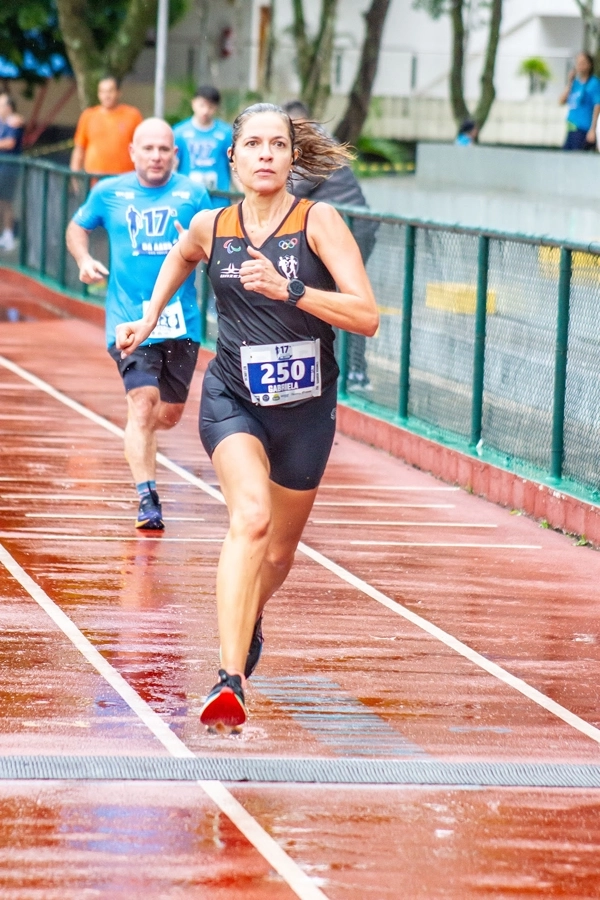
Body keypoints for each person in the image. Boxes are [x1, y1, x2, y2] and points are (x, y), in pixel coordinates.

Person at [115, 103, 379, 731]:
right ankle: (229, 678)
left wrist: (290, 290)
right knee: (251, 518)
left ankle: (248, 615)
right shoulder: (212, 225)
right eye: (254, 144)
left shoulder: (318, 221)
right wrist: (150, 316)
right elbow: (180, 257)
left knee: (278, 554)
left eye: (277, 144)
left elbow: (366, 316)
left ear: (292, 158)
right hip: (233, 397)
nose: (266, 154)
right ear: (232, 157)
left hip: (306, 410)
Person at [66, 118, 211, 529]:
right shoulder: (108, 192)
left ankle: (141, 429)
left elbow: (218, 245)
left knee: (169, 414)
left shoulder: (193, 194)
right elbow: (77, 226)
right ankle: (148, 500)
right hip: (128, 320)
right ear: (133, 152)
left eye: (164, 149)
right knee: (143, 404)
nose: (156, 156)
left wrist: (197, 248)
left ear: (175, 154)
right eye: (148, 148)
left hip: (180, 323)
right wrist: (83, 259)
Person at [283, 100, 378, 391]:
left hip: (352, 227)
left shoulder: (314, 146)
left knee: (350, 299)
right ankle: (339, 367)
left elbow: (292, 190)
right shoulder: (314, 140)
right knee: (330, 297)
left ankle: (356, 372)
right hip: (342, 226)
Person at [70, 76, 143, 176]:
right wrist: (74, 175)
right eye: (102, 92)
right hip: (94, 179)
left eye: (110, 91)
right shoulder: (88, 116)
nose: (106, 95)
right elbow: (79, 149)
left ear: (118, 92)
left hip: (124, 178)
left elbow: (141, 148)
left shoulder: (133, 115)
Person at [173, 85, 233, 205]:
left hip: (219, 200)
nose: (205, 111)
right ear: (193, 103)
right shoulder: (179, 133)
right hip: (188, 199)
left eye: (210, 107)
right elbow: (173, 167)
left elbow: (234, 166)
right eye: (202, 105)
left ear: (216, 107)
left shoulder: (226, 133)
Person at [560, 52, 600, 151]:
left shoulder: (594, 83)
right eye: (578, 63)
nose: (579, 66)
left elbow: (597, 106)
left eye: (582, 63)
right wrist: (570, 81)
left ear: (589, 65)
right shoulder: (575, 83)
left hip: (583, 128)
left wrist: (593, 129)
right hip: (571, 126)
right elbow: (561, 101)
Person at [0, 93, 25, 252]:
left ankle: (9, 234)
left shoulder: (14, 122)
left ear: (9, 107)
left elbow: (10, 143)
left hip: (8, 169)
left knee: (6, 202)